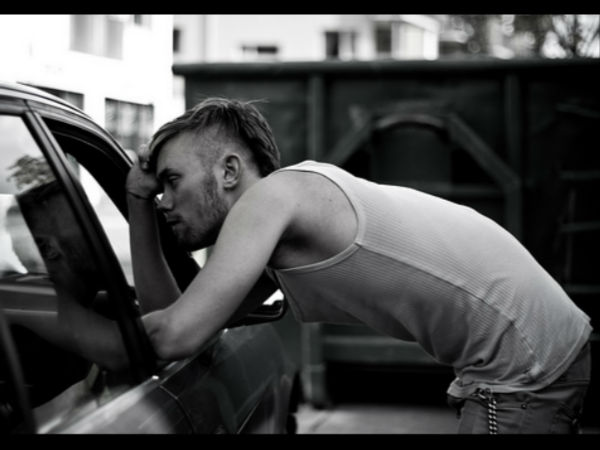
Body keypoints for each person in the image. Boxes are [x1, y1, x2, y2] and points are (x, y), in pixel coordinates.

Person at [126, 97, 593, 434]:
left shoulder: (273, 197)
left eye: (172, 180)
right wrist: (137, 202)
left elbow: (171, 335)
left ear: (229, 172)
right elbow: (179, 327)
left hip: (524, 367)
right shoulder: (280, 227)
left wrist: (77, 322)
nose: (164, 200)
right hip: (533, 354)